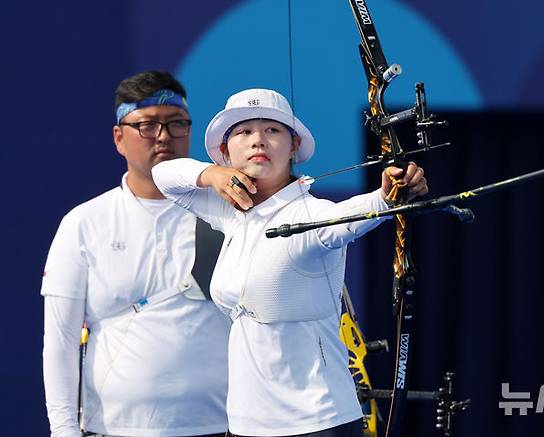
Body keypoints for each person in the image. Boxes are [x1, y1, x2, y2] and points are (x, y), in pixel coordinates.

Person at [152, 88, 428, 437]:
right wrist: (211, 175)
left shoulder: (312, 215)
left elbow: (349, 216)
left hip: (318, 421)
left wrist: (387, 197)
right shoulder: (228, 209)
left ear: (293, 146)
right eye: (243, 131)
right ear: (225, 151)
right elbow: (164, 176)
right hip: (245, 423)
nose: (258, 141)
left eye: (272, 130)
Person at [41, 71, 230, 437]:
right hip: (114, 428)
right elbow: (60, 341)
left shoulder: (228, 213)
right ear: (119, 138)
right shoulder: (84, 223)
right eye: (147, 125)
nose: (163, 137)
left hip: (223, 424)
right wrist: (64, 432)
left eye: (177, 124)